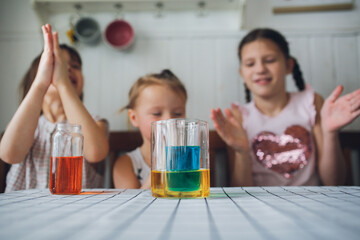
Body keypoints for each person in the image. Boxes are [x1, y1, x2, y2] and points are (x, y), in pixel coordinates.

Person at [211, 28, 360, 186]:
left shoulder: (311, 103)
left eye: (269, 60)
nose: (260, 69)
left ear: (288, 65)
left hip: (312, 205)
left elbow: (334, 182)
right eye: (250, 64)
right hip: (260, 208)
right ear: (242, 73)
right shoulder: (238, 116)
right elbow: (240, 190)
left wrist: (330, 133)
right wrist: (242, 152)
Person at [0, 24, 109, 192]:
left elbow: (96, 152)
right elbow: (9, 154)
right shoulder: (25, 123)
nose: (67, 69)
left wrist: (63, 84)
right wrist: (40, 83)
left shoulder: (96, 123)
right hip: (25, 207)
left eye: (75, 66)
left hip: (79, 208)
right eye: (56, 64)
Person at [113, 69, 187, 189]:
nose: (169, 120)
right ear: (134, 117)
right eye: (157, 113)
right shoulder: (126, 164)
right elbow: (132, 204)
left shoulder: (189, 158)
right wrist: (163, 164)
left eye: (178, 114)